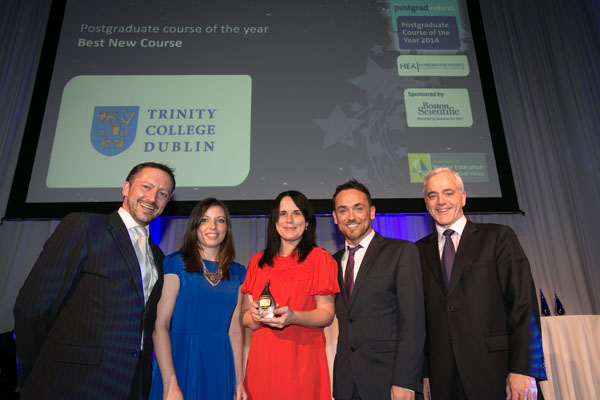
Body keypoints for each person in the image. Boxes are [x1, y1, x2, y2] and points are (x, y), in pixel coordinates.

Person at [13, 162, 175, 399]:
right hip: (68, 383)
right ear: (126, 187)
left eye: (162, 194)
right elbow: (33, 306)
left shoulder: (158, 255)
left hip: (129, 386)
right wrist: (38, 366)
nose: (152, 198)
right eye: (146, 187)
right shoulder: (85, 226)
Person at [416, 168, 546, 400]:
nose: (440, 201)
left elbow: (523, 305)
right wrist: (425, 373)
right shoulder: (416, 252)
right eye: (433, 195)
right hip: (444, 379)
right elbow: (420, 320)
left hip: (499, 371)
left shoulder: (498, 237)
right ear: (426, 203)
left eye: (448, 193)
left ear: (463, 197)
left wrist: (524, 369)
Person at [332, 180, 425, 400]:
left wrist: (405, 381)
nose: (351, 216)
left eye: (358, 208)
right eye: (343, 210)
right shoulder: (331, 263)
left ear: (372, 212)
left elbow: (413, 322)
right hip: (347, 385)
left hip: (390, 381)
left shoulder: (401, 251)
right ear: (335, 217)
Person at [241, 190, 339, 400]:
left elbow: (326, 314)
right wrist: (256, 318)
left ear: (307, 222)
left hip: (302, 364)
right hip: (262, 367)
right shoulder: (257, 262)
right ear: (274, 222)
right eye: (283, 213)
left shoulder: (320, 259)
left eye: (296, 213)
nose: (289, 220)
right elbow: (245, 317)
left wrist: (294, 316)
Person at [149, 198, 247, 400]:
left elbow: (235, 331)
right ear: (195, 226)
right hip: (180, 360)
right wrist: (170, 381)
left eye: (220, 220)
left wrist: (239, 381)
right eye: (205, 220)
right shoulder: (175, 264)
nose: (213, 226)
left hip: (220, 364)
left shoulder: (238, 272)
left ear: (227, 228)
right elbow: (160, 325)